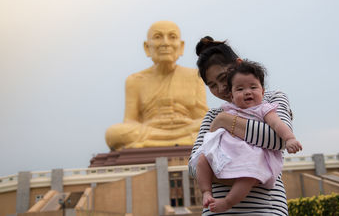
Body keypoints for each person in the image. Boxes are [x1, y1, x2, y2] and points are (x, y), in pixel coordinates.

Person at [189, 36, 295, 215]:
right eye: (212, 85)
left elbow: (278, 140)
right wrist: (249, 172)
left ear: (238, 64)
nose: (222, 88)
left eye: (223, 78)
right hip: (217, 211)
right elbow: (194, 166)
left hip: (264, 210)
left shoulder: (271, 100)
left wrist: (225, 122)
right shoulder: (213, 115)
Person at [105, 21, 208, 150]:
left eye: (172, 37)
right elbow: (130, 121)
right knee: (113, 133)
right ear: (147, 47)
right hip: (150, 130)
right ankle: (177, 142)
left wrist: (190, 124)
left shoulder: (194, 76)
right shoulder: (135, 80)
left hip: (185, 128)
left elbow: (202, 118)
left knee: (212, 124)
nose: (165, 43)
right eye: (158, 37)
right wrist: (151, 125)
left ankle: (152, 144)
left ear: (181, 46)